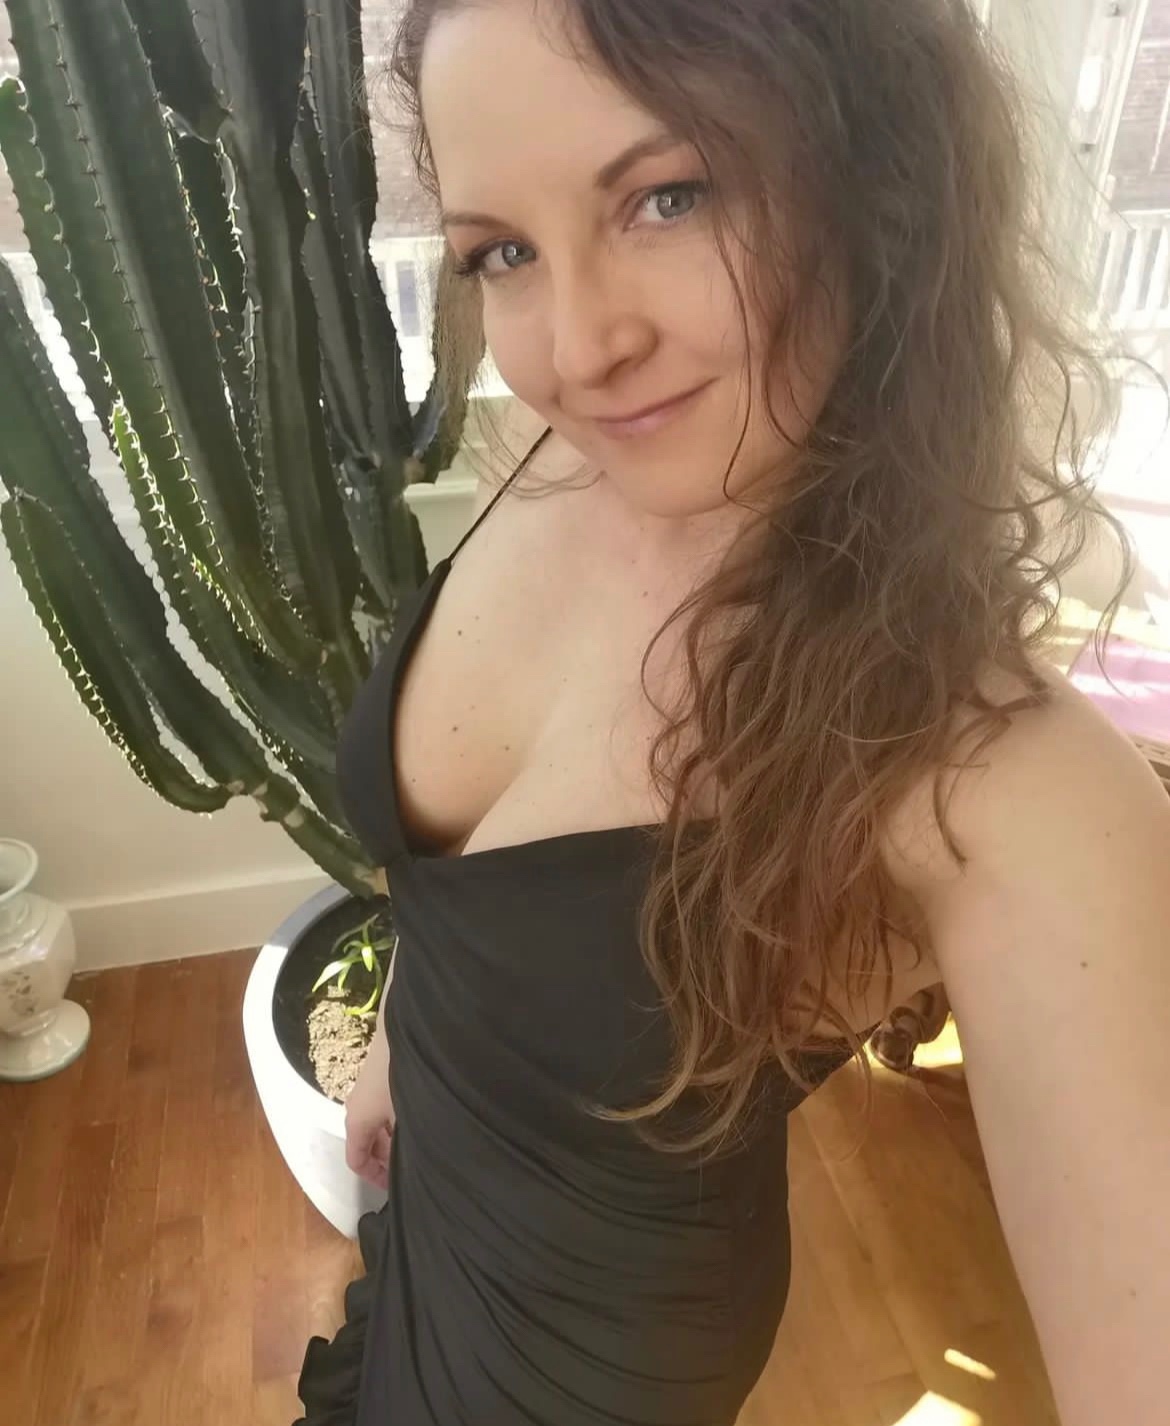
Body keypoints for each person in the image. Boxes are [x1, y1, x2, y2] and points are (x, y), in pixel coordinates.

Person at [295, 1, 1170, 1423]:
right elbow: (468, 886)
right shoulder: (569, 454)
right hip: (407, 1280)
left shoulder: (1009, 786)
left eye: (668, 196)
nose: (578, 347)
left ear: (873, 174)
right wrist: (407, 1024)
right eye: (502, 251)